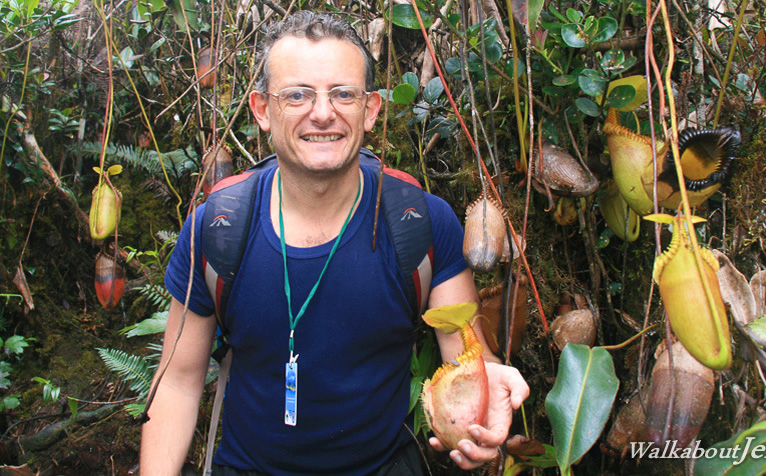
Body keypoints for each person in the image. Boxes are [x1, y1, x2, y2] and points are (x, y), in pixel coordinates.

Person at [140, 10, 529, 475]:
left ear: (371, 110)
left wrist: (489, 397)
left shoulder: (419, 223)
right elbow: (179, 382)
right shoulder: (218, 230)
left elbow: (466, 357)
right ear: (262, 109)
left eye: (343, 94)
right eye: (297, 94)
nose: (322, 113)